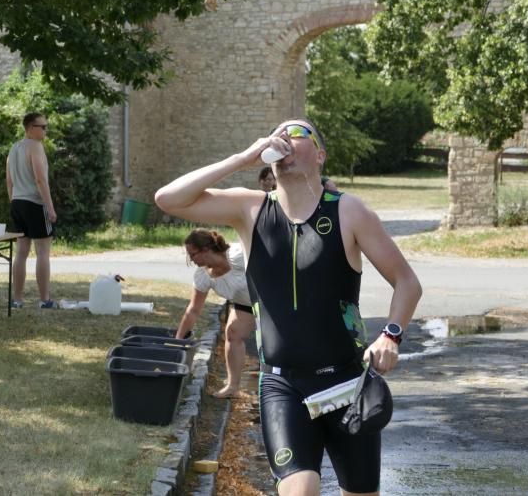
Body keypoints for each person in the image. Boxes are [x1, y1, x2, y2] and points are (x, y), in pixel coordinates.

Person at [155, 119, 421, 496]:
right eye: (279, 135)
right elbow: (168, 198)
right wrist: (242, 158)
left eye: (297, 134)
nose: (285, 140)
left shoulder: (349, 211)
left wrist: (390, 335)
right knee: (300, 488)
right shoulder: (250, 209)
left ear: (320, 156)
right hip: (283, 385)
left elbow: (407, 282)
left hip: (347, 383)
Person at [175, 228, 255, 398]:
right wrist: (178, 339)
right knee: (233, 333)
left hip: (272, 300)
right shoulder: (203, 276)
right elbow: (194, 310)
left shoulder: (238, 256)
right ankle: (233, 387)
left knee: (273, 344)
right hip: (245, 304)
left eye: (192, 255)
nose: (191, 260)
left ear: (206, 250)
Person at [6, 112, 57, 309]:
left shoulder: (14, 148)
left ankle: (17, 300)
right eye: (42, 127)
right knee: (43, 252)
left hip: (17, 202)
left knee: (21, 253)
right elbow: (40, 179)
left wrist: (14, 202)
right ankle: (45, 300)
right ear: (29, 128)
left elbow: (9, 182)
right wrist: (50, 207)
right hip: (35, 203)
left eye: (46, 126)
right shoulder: (35, 147)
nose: (45, 130)